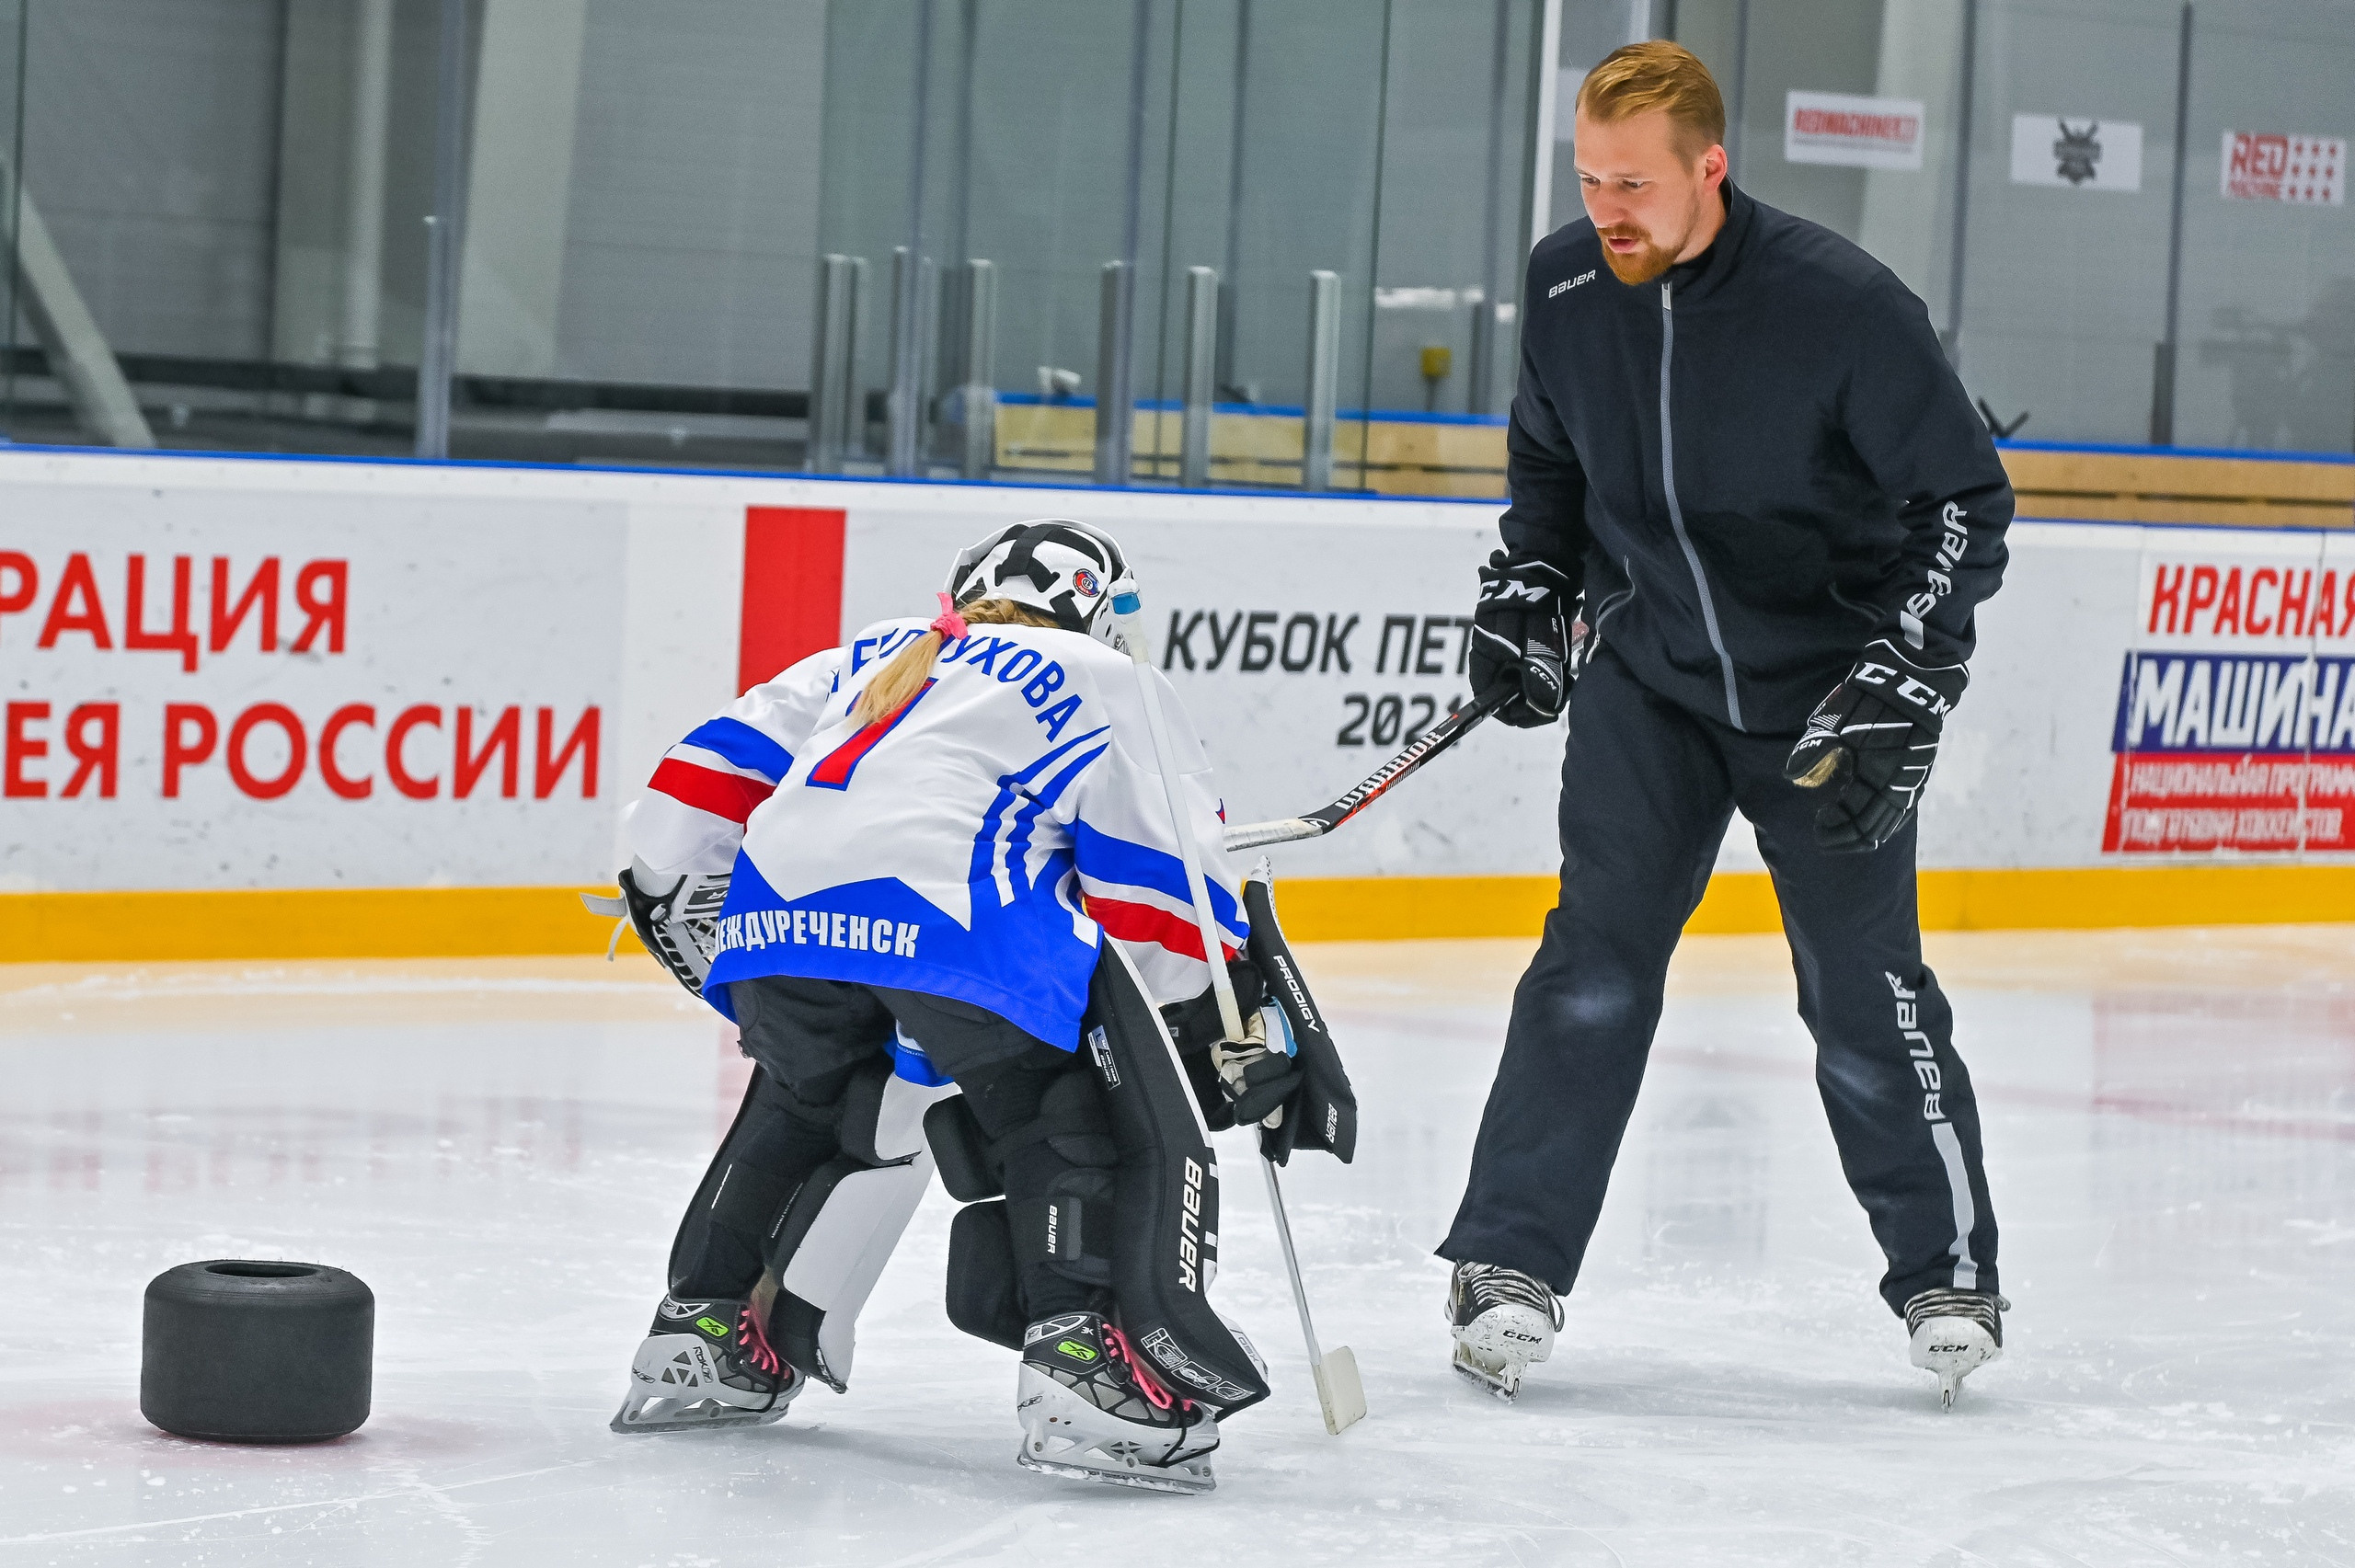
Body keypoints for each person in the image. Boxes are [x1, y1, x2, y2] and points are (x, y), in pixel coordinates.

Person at [1437, 41, 2015, 1411]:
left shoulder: (1845, 307)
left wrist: (1907, 677)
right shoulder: (1569, 280)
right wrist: (1532, 581)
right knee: (1591, 964)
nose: (1608, 209)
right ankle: (1509, 1265)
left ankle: (1947, 1269)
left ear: (1712, 170)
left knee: (1864, 997)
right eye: (1589, 180)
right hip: (1654, 683)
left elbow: (1963, 504)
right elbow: (1550, 460)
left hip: (1828, 696)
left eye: (1634, 183)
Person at [599, 519, 1301, 1492]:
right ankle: (1084, 1371)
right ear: (1100, 608)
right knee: (1061, 1105)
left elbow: (678, 809)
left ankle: (702, 1332)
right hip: (947, 916)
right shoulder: (1109, 676)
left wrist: (725, 930)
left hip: (773, 918)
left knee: (804, 1103)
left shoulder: (874, 650)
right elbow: (1157, 876)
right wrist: (1198, 1018)